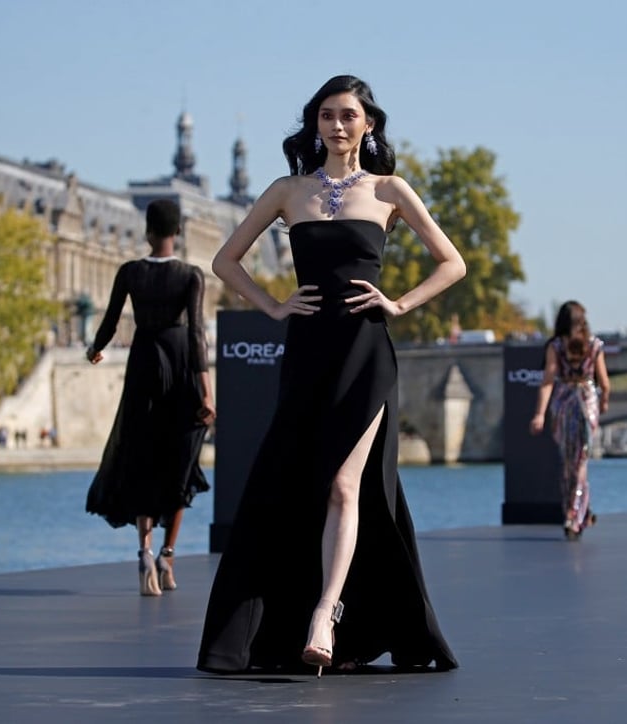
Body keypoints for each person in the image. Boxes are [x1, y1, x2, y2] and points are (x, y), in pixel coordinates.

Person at [197, 75, 465, 675]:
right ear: (314, 123)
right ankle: (282, 619)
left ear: (368, 123)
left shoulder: (390, 189)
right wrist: (272, 307)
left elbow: (453, 262)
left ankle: (325, 614)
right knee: (298, 486)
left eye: (348, 115)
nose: (337, 126)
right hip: (308, 353)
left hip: (366, 354)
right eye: (326, 115)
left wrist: (399, 304)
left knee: (347, 485)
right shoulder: (288, 191)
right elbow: (224, 260)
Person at [85, 199, 216, 596]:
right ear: (177, 233)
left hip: (143, 362)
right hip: (179, 365)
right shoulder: (191, 275)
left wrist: (95, 347)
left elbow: (110, 318)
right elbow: (196, 334)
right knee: (181, 461)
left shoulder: (130, 272)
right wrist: (207, 389)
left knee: (142, 456)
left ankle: (143, 552)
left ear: (147, 232)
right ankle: (167, 555)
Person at [529, 300, 610, 540]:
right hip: (586, 402)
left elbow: (547, 381)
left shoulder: (555, 346)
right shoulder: (594, 345)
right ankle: (577, 514)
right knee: (580, 460)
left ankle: (573, 511)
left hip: (563, 403)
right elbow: (604, 382)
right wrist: (604, 401)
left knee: (567, 461)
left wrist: (539, 414)